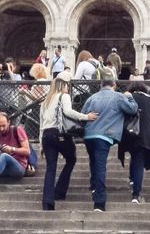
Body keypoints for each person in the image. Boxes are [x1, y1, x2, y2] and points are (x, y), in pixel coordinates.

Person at [39, 67, 96, 210]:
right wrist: (86, 117)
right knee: (71, 159)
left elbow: (41, 124)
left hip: (46, 135)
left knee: (50, 168)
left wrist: (41, 144)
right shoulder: (63, 96)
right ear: (64, 84)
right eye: (68, 85)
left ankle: (48, 202)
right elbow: (68, 111)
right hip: (59, 134)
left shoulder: (45, 101)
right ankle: (59, 191)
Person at [82, 68, 138, 211]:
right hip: (105, 135)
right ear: (113, 85)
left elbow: (82, 115)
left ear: (101, 85)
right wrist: (130, 96)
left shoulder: (91, 97)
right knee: (100, 166)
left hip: (89, 135)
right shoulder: (118, 97)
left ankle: (94, 187)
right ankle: (99, 202)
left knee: (93, 163)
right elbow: (132, 109)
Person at [117, 73, 150, 204]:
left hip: (127, 135)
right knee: (139, 161)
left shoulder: (126, 97)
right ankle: (136, 194)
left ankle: (131, 178)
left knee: (133, 155)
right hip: (143, 135)